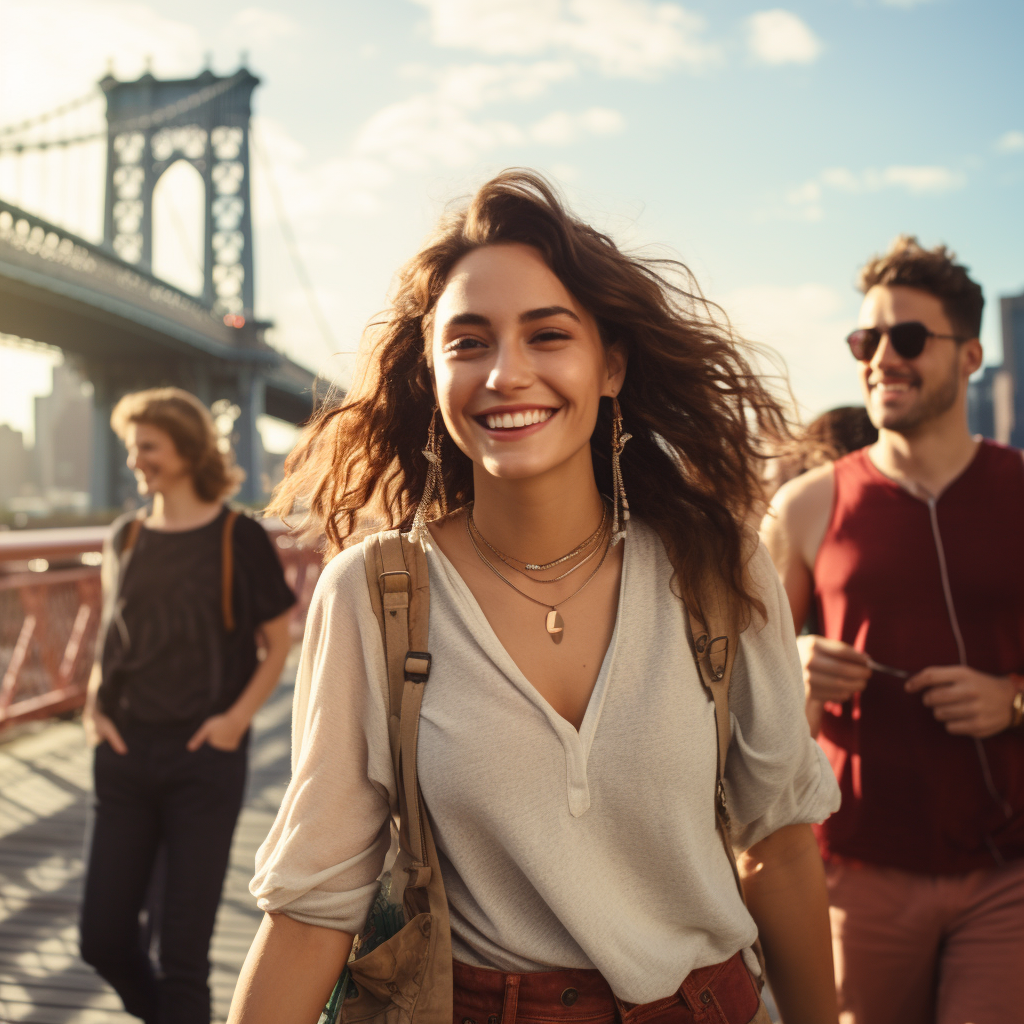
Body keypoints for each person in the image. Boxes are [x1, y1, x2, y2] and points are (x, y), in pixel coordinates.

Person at [229, 171, 840, 1024]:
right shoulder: (372, 596)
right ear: (434, 372)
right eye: (468, 342)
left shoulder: (716, 566)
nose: (506, 374)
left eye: (548, 336)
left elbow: (776, 844)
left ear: (611, 364)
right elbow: (310, 908)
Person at [762, 236, 1024, 1024]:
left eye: (907, 338)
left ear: (970, 353)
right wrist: (795, 663)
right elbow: (743, 694)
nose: (881, 357)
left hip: (1008, 874)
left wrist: (1013, 701)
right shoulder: (805, 506)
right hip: (856, 874)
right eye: (865, 340)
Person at [80, 388, 296, 1024]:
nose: (135, 459)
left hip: (203, 761)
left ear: (185, 449)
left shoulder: (238, 536)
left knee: (183, 959)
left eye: (147, 445)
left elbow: (278, 640)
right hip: (122, 759)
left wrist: (234, 722)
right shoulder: (124, 537)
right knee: (104, 941)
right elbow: (109, 640)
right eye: (131, 446)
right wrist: (95, 707)